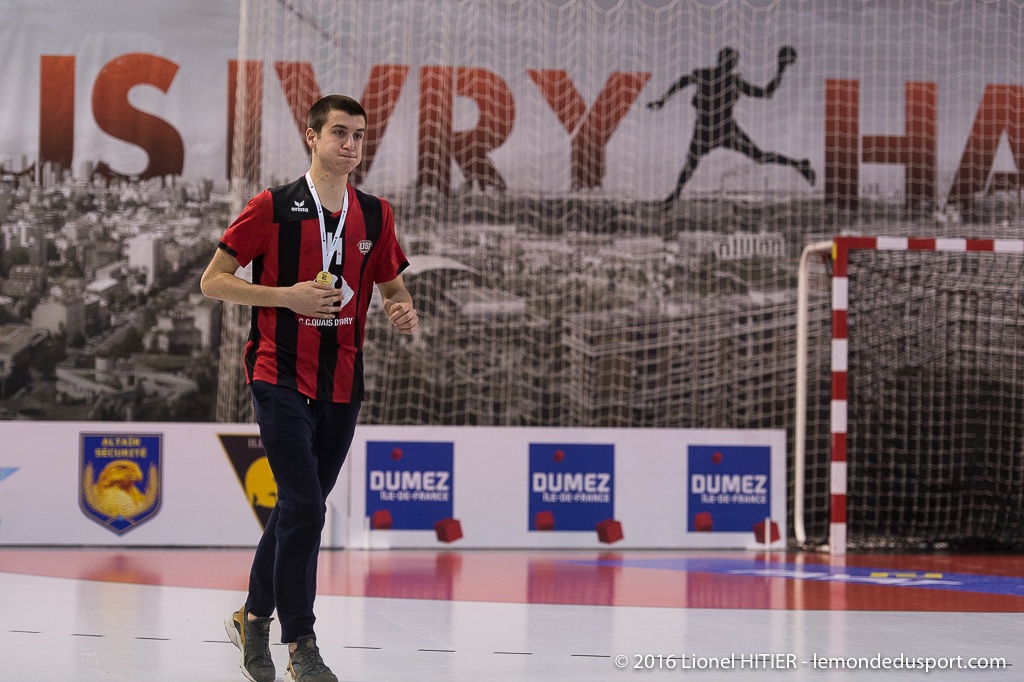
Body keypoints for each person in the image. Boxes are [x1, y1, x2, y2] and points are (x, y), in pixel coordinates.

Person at [201, 94, 419, 682]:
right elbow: (214, 281)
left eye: (359, 136)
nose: (350, 145)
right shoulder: (272, 206)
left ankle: (251, 617)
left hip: (343, 383)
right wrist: (285, 297)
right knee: (303, 505)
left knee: (299, 510)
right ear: (312, 136)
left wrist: (402, 308)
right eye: (340, 133)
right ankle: (301, 644)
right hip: (277, 373)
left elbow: (393, 288)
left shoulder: (375, 214)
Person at [647, 46, 815, 205]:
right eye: (729, 61)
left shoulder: (728, 80)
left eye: (732, 62)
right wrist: (663, 100)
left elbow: (766, 93)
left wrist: (781, 69)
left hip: (724, 129)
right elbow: (683, 81)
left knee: (756, 156)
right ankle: (674, 196)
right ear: (723, 60)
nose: (730, 64)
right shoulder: (709, 75)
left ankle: (800, 164)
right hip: (707, 130)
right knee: (692, 163)